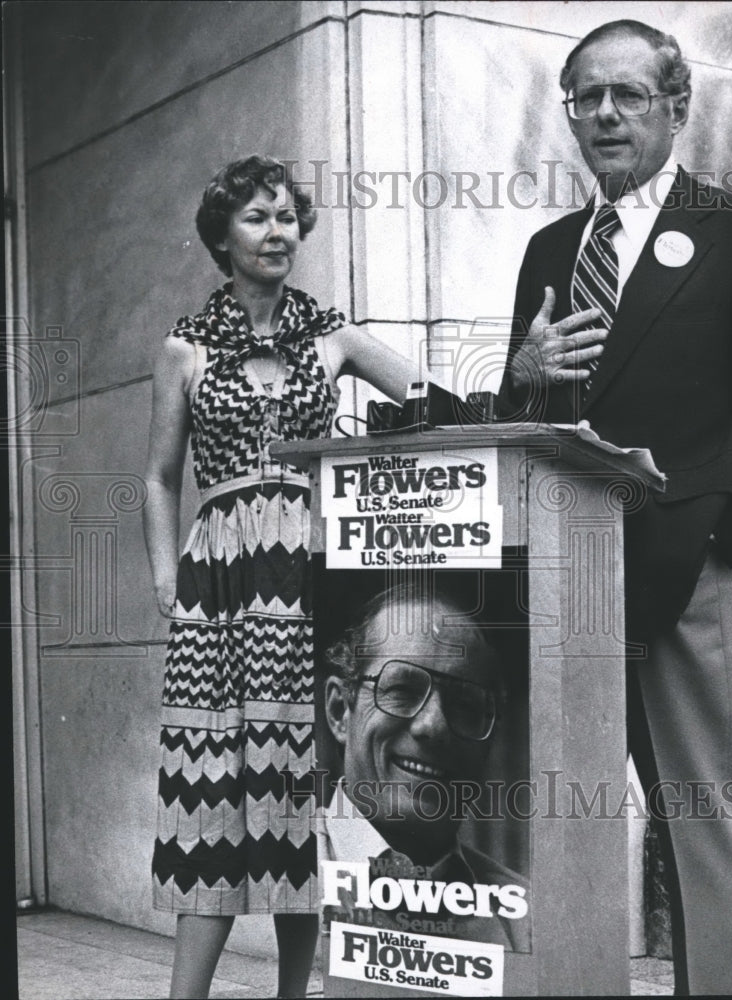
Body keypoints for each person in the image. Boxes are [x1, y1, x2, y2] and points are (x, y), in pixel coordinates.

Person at [500, 20, 732, 995]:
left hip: (692, 575)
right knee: (560, 814)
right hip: (569, 581)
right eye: (586, 98)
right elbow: (533, 421)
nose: (604, 113)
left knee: (699, 819)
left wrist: (722, 532)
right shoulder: (550, 251)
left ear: (675, 107)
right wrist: (519, 377)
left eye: (628, 94)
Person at [143, 155, 423, 999]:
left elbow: (424, 398)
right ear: (222, 239)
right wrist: (167, 580)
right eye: (257, 218)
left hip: (314, 577)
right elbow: (159, 476)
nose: (277, 232)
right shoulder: (184, 348)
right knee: (213, 790)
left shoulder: (330, 334)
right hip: (221, 584)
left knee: (302, 785)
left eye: (287, 218)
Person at [317, 584, 531, 953]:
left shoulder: (526, 921)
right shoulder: (272, 884)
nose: (434, 726)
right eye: (401, 688)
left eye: (465, 704)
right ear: (340, 711)